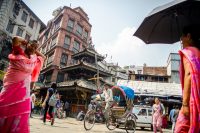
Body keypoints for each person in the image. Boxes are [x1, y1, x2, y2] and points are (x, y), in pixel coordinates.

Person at [0, 36, 45, 132]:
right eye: (31, 46)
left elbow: (43, 57)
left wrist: (34, 50)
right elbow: (15, 39)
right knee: (3, 108)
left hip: (23, 92)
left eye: (35, 48)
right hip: (10, 87)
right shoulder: (18, 52)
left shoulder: (34, 59)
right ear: (27, 44)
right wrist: (26, 42)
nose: (33, 48)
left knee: (20, 112)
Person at [175, 25, 200, 133]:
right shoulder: (198, 52)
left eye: (182, 37)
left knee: (181, 128)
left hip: (191, 101)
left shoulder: (189, 52)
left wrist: (185, 104)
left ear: (188, 36)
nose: (181, 40)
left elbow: (190, 74)